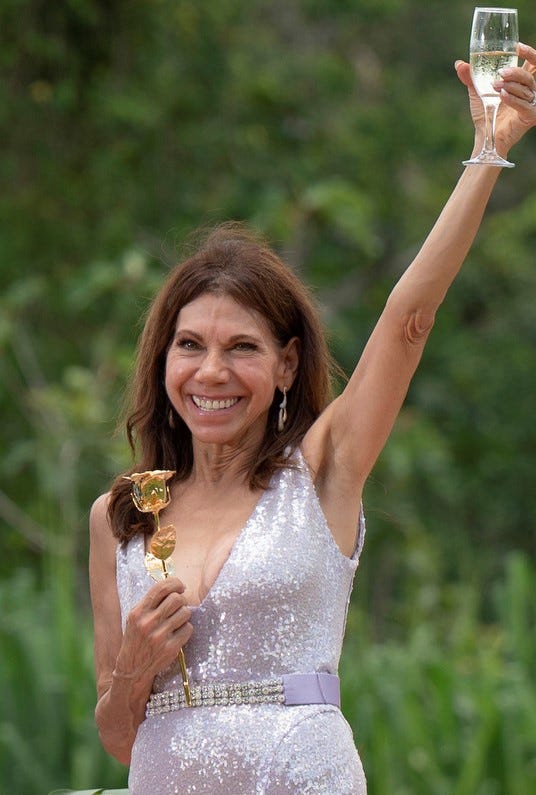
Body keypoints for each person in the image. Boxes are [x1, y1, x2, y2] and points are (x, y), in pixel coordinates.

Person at [89, 46, 536, 795]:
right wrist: (133, 670)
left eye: (242, 348)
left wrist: (487, 151)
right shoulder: (120, 515)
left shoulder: (322, 467)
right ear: (163, 360)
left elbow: (409, 319)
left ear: (287, 365)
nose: (211, 372)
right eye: (190, 346)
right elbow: (116, 740)